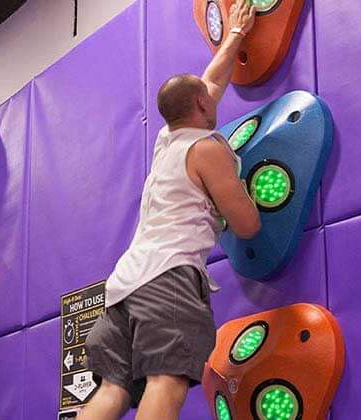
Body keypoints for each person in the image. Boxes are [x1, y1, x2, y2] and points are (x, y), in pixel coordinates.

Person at [79, 1, 260, 419]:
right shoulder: (207, 149)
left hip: (124, 286)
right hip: (169, 278)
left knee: (113, 389)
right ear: (200, 105)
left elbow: (210, 83)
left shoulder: (169, 141)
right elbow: (247, 224)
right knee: (166, 380)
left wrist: (234, 34)